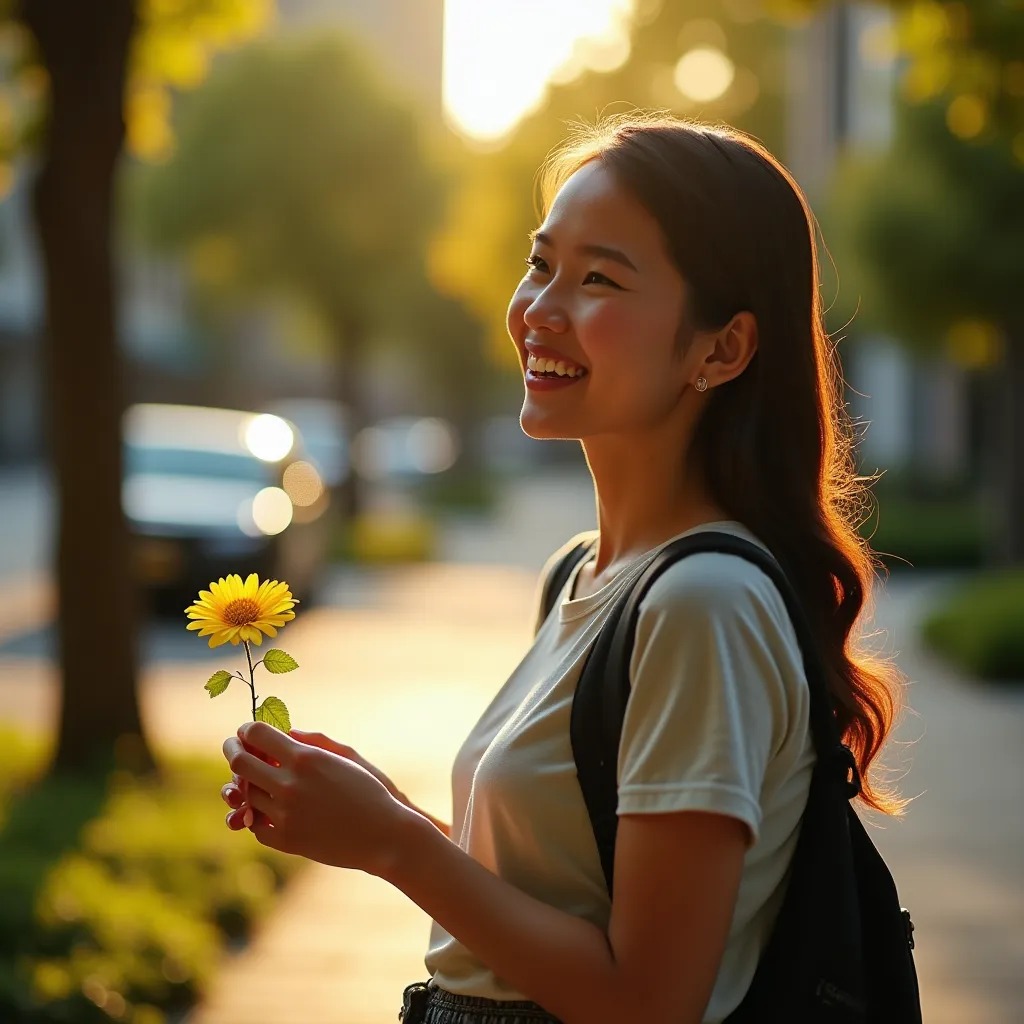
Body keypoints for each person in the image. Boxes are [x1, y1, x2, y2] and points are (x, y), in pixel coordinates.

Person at [220, 112, 908, 1024]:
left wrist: (394, 846)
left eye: (598, 279)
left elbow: (650, 1001)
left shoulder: (703, 604)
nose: (540, 309)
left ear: (723, 348)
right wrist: (381, 818)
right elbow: (561, 913)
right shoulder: (583, 574)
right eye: (542, 263)